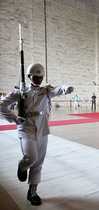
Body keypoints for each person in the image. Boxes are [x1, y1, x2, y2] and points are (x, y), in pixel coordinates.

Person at [0, 63, 74, 206]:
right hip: (26, 128)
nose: (39, 80)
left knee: (38, 161)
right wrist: (14, 118)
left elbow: (57, 90)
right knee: (31, 157)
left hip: (42, 129)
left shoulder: (45, 91)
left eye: (41, 77)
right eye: (36, 77)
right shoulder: (20, 92)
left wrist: (66, 89)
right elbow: (1, 104)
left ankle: (32, 191)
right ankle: (22, 166)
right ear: (29, 77)